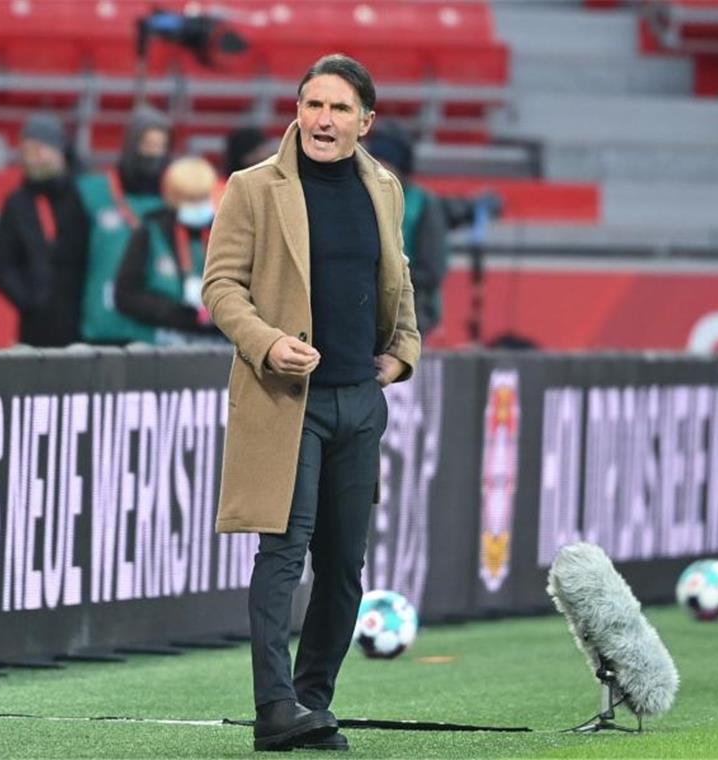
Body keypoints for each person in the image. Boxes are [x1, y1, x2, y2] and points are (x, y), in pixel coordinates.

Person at [202, 54, 420, 752]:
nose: (323, 119)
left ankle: (313, 702)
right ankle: (275, 708)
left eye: (338, 107)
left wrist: (404, 350)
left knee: (344, 566)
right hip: (286, 401)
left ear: (366, 120)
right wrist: (266, 343)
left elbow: (399, 277)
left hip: (359, 400)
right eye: (312, 104)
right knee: (283, 554)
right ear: (297, 111)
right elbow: (221, 288)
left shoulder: (384, 186)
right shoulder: (253, 187)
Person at [75, 106, 173, 344]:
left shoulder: (175, 198)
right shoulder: (92, 193)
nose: (153, 153)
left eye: (160, 146)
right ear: (132, 144)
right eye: (147, 144)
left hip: (159, 329)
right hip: (100, 324)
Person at [0, 113, 90, 347]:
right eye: (26, 151)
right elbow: (2, 264)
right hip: (38, 327)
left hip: (88, 321)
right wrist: (31, 301)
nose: (32, 158)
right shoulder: (17, 202)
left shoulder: (86, 195)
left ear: (59, 150)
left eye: (39, 149)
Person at [114, 156, 226, 345]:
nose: (198, 205)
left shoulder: (225, 229)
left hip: (219, 342)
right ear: (174, 197)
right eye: (191, 199)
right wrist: (174, 313)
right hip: (162, 343)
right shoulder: (150, 231)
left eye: (202, 198)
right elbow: (126, 293)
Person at [365, 125, 449, 339]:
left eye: (385, 165)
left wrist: (383, 275)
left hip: (410, 315)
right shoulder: (357, 200)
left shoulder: (424, 205)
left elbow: (432, 271)